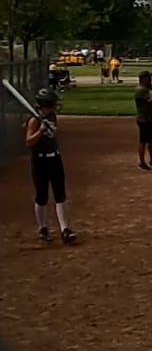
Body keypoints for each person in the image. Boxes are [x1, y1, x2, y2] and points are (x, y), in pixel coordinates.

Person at [26, 89, 76, 244]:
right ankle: (43, 228)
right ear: (47, 103)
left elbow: (54, 134)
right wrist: (40, 131)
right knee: (42, 196)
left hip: (55, 158)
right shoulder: (34, 120)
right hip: (40, 161)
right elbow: (29, 142)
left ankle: (65, 230)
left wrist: (50, 128)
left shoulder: (51, 116)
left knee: (60, 194)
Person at [134, 71, 152, 170]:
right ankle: (142, 163)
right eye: (148, 77)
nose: (151, 79)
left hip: (151, 117)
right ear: (142, 79)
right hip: (144, 119)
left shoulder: (150, 87)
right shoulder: (140, 90)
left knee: (151, 141)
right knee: (143, 141)